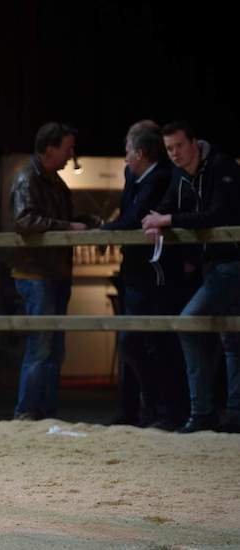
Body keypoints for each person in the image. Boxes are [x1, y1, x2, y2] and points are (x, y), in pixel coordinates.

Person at [142, 121, 240, 433]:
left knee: (188, 323)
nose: (175, 153)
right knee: (232, 338)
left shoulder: (223, 167)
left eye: (179, 146)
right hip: (213, 265)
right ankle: (231, 413)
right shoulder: (180, 174)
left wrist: (167, 219)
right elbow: (166, 205)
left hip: (232, 262)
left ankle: (202, 411)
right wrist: (155, 219)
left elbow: (219, 214)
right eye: (169, 149)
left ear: (194, 142)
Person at [102, 123, 191, 430]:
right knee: (134, 341)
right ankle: (137, 410)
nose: (125, 156)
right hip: (134, 272)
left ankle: (164, 411)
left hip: (156, 275)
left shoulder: (162, 177)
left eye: (128, 150)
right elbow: (128, 215)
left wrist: (101, 231)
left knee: (154, 341)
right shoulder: (135, 176)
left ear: (140, 153)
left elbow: (133, 219)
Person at [9, 122, 94, 421]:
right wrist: (70, 226)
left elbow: (49, 218)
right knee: (42, 345)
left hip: (53, 271)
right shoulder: (28, 178)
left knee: (53, 347)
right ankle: (28, 411)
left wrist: (86, 221)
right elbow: (24, 220)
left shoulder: (52, 181)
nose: (71, 155)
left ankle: (43, 410)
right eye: (67, 148)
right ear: (50, 149)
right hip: (36, 273)